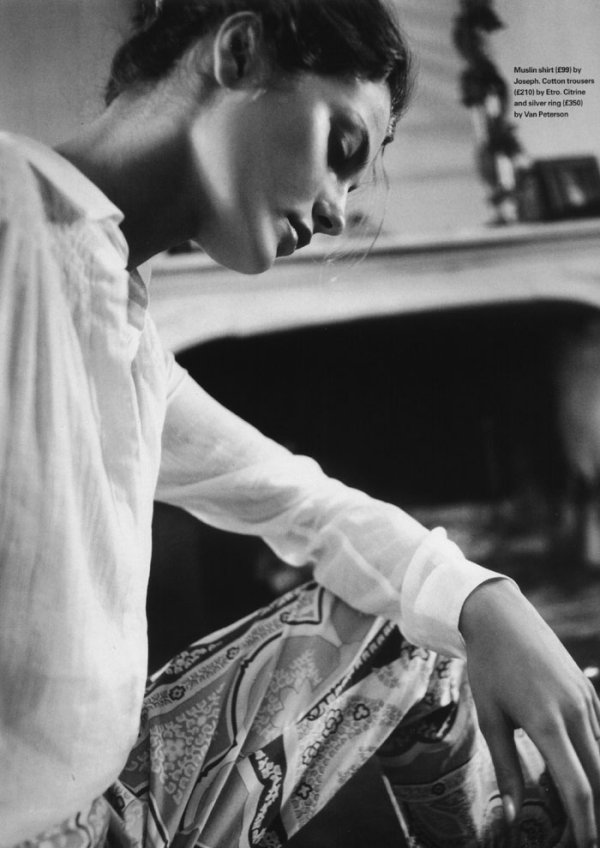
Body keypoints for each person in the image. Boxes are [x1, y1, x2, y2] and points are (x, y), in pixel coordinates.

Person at [0, 1, 598, 846]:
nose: (335, 214)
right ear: (240, 52)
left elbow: (300, 501)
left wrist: (487, 601)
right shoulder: (13, 215)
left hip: (108, 806)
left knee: (413, 610)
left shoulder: (118, 313)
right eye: (342, 148)